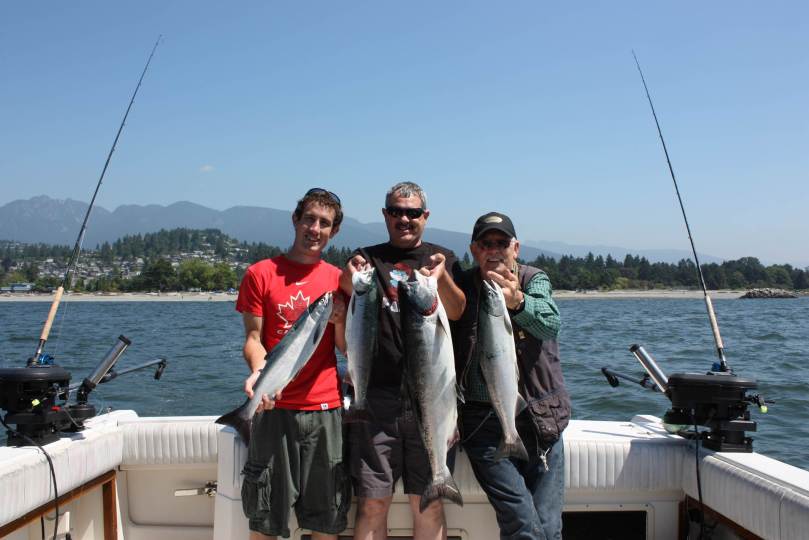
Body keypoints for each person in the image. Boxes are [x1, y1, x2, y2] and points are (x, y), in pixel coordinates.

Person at [340, 181, 466, 540]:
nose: (404, 219)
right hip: (376, 399)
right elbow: (347, 293)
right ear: (385, 215)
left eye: (413, 213)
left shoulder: (442, 257)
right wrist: (349, 275)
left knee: (429, 505)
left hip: (433, 399)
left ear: (425, 216)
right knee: (372, 504)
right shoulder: (367, 257)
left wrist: (441, 278)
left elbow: (457, 310)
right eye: (396, 211)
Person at [236, 188, 350, 540]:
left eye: (324, 223)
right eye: (309, 219)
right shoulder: (260, 273)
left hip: (325, 409)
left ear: (334, 231)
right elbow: (253, 338)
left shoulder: (338, 280)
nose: (315, 229)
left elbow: (346, 349)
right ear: (295, 220)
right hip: (274, 409)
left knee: (326, 522)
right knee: (265, 521)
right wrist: (259, 374)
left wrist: (340, 322)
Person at [451, 212, 570, 540]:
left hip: (541, 421)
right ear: (474, 250)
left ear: (515, 248)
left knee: (549, 527)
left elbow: (550, 324)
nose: (494, 250)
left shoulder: (534, 279)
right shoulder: (461, 286)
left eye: (501, 243)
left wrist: (518, 301)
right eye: (485, 244)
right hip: (482, 424)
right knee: (522, 524)